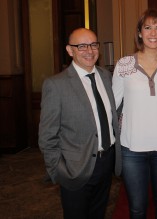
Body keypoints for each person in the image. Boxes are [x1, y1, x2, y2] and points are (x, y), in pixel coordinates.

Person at [38, 28, 121, 219]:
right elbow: (47, 136)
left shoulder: (106, 76)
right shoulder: (56, 85)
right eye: (81, 46)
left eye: (93, 44)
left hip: (106, 163)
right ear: (70, 50)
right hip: (75, 170)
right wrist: (59, 172)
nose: (89, 51)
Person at [112, 9, 157, 219]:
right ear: (140, 33)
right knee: (137, 206)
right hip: (131, 147)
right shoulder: (123, 65)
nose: (153, 33)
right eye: (148, 27)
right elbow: (112, 104)